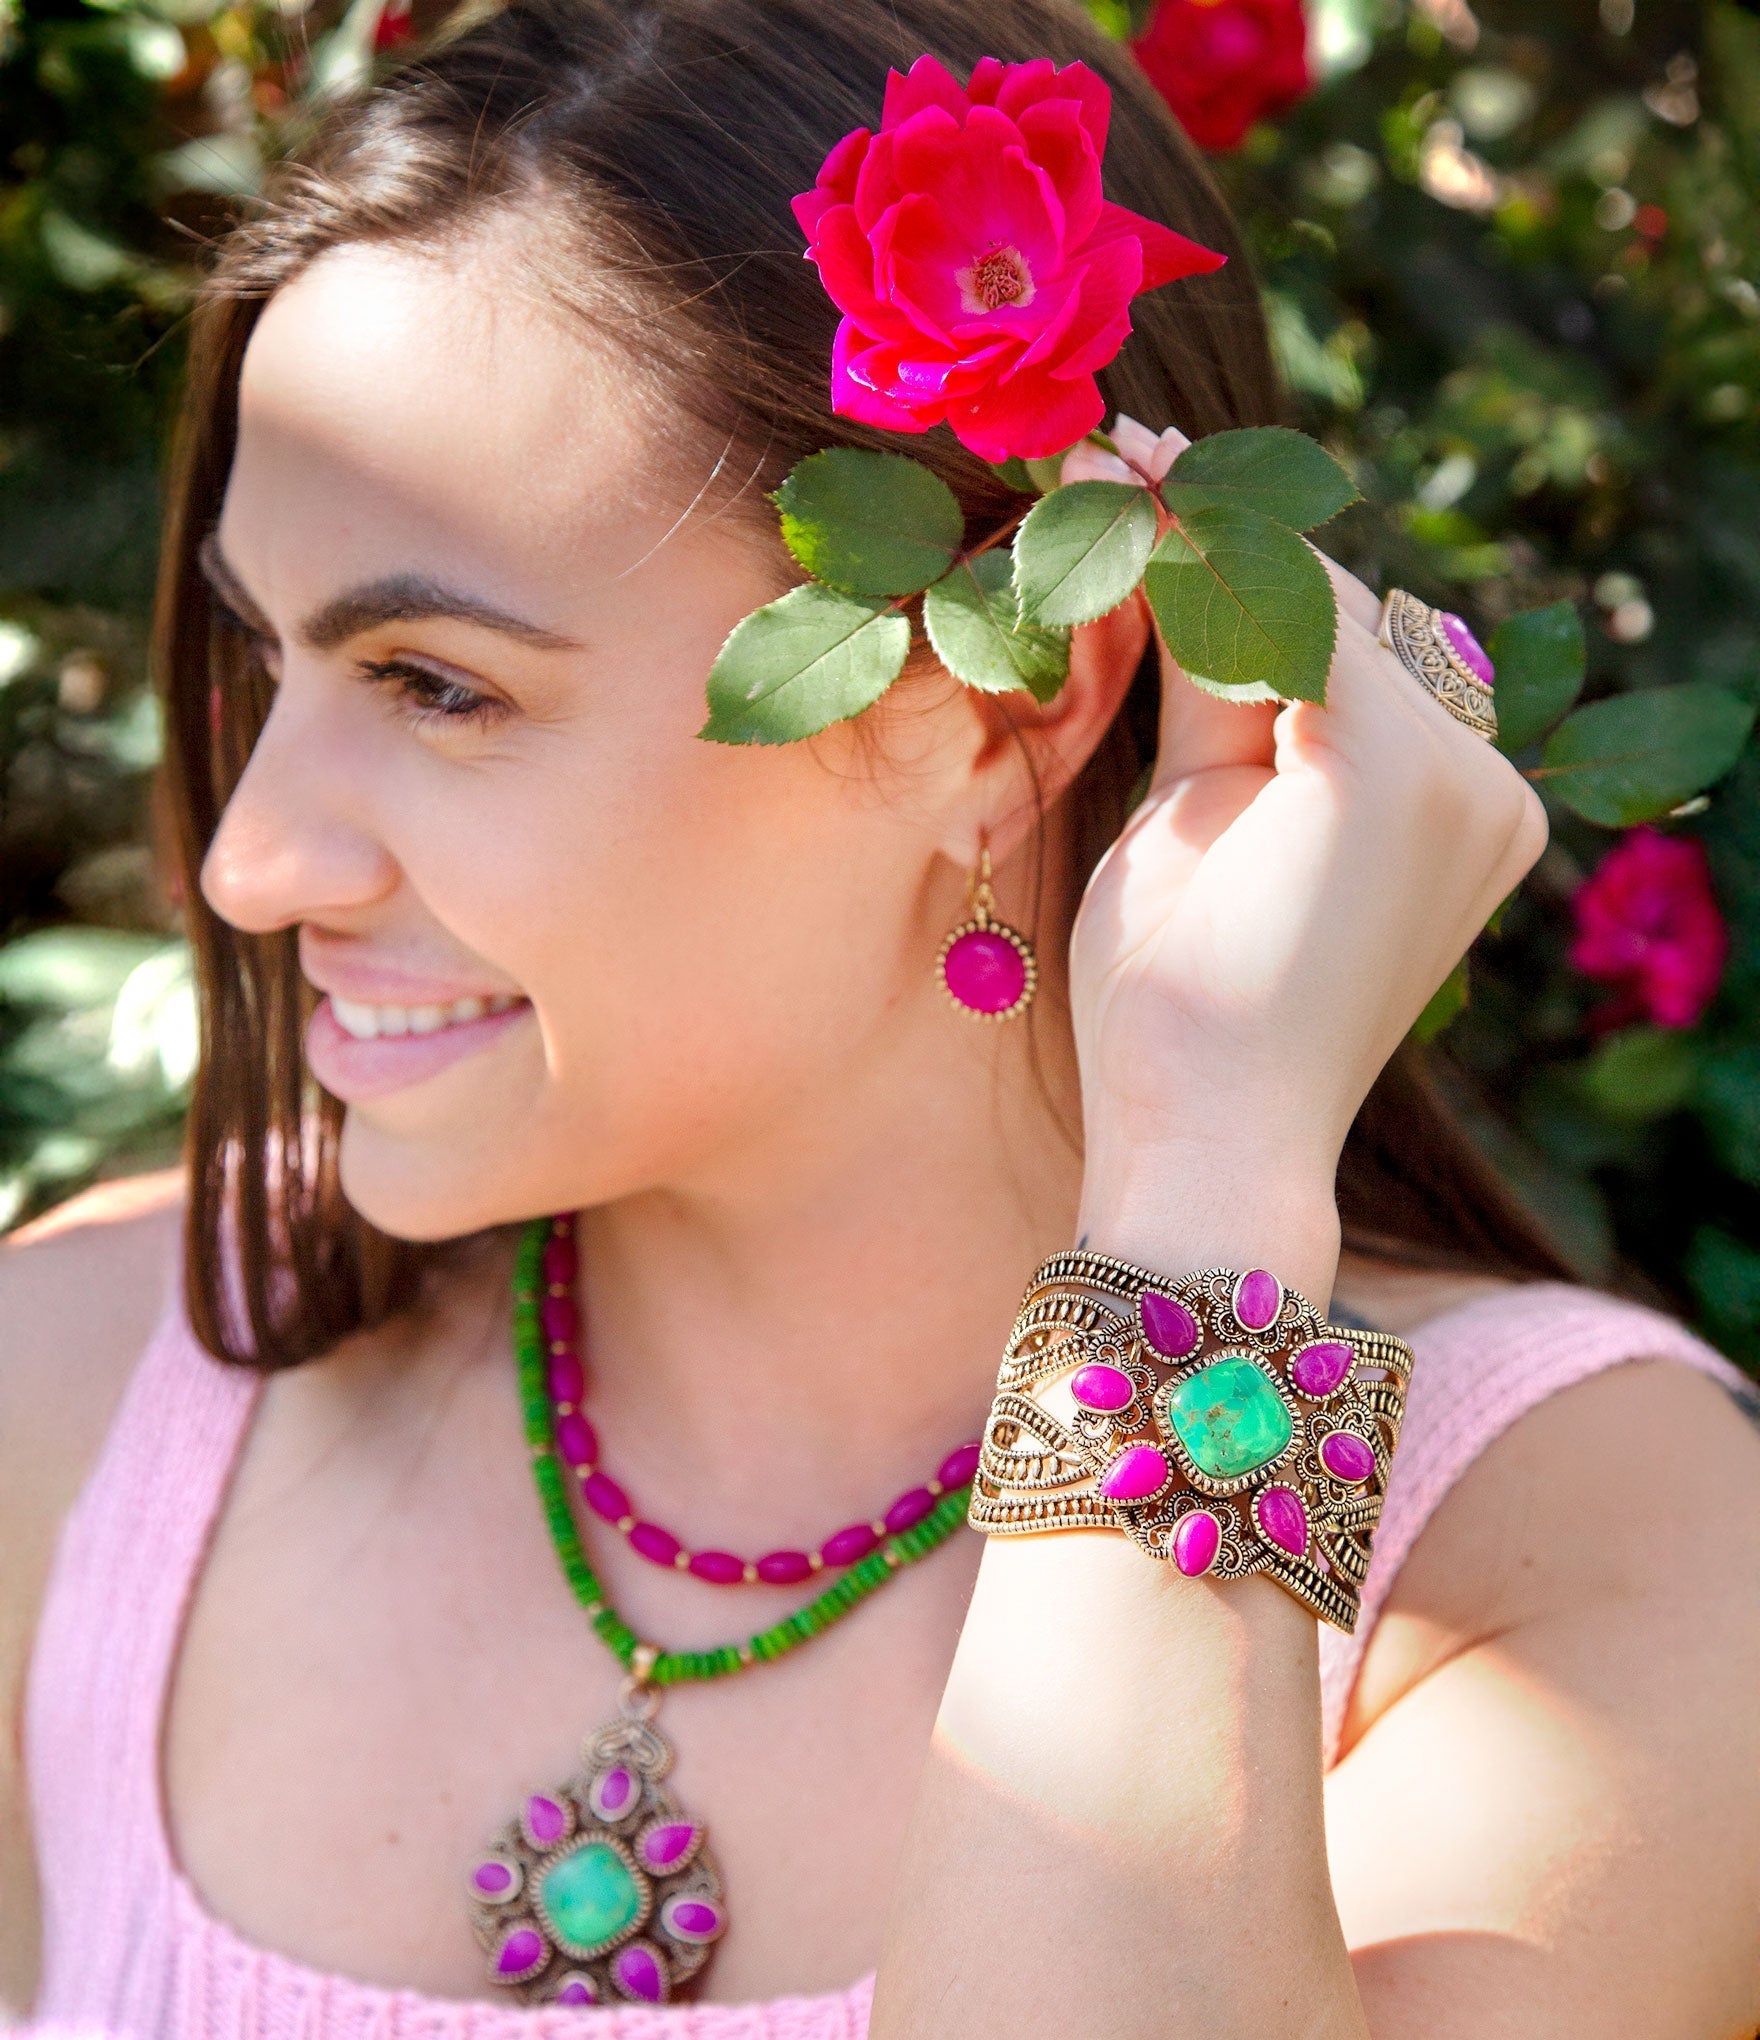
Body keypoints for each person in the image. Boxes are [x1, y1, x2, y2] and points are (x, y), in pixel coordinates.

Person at [3, 1, 1758, 2035]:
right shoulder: (82, 1396)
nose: (248, 863)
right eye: (262, 655)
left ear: (1001, 716)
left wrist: (1195, 1204)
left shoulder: (1588, 1560)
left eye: (433, 683)